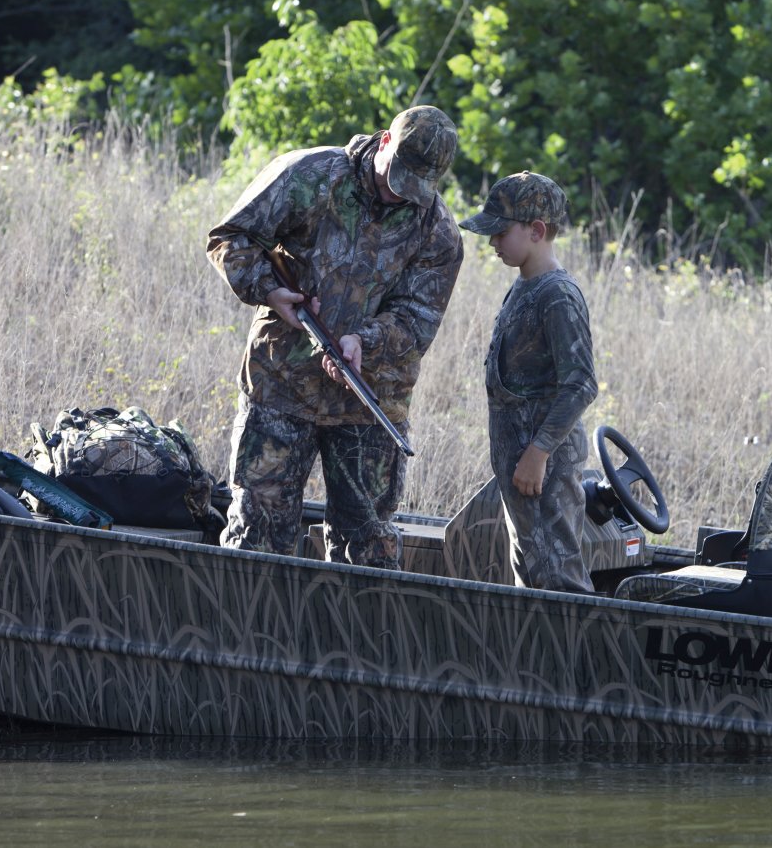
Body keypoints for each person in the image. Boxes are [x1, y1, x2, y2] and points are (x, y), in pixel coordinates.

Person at [206, 105, 463, 568]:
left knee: (368, 549)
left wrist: (366, 340)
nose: (397, 192)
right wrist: (270, 290)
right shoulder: (311, 174)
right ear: (385, 140)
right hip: (281, 384)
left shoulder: (437, 230)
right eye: (396, 175)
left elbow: (417, 319)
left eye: (414, 185)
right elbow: (231, 237)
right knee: (257, 540)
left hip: (369, 400)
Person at [459, 171, 598, 592]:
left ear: (536, 231)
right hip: (522, 464)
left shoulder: (558, 295)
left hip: (543, 467)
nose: (493, 242)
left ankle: (570, 640)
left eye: (501, 232)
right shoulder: (525, 285)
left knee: (558, 579)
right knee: (531, 572)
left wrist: (537, 454)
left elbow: (581, 384)